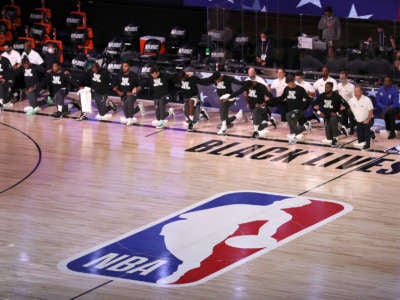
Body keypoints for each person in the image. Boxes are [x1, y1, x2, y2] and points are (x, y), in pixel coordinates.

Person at [279, 75, 312, 145]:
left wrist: (302, 108)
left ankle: (292, 135)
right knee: (289, 115)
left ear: (293, 82)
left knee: (289, 115)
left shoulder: (300, 89)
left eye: (289, 83)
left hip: (299, 111)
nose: (288, 85)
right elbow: (282, 97)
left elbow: (308, 99)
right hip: (290, 110)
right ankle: (304, 127)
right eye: (287, 83)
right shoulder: (286, 88)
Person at [313, 82, 344, 146]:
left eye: (327, 87)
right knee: (328, 138)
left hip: (335, 116)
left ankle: (335, 138)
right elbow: (313, 105)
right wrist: (319, 112)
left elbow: (345, 106)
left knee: (333, 119)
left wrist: (337, 113)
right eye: (325, 87)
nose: (326, 89)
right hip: (325, 116)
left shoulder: (337, 96)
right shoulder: (321, 96)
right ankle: (341, 131)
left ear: (331, 88)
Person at [112, 61, 142, 126]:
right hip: (123, 94)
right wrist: (118, 91)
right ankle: (137, 109)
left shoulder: (133, 75)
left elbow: (140, 86)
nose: (124, 68)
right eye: (123, 66)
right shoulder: (119, 75)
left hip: (132, 94)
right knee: (125, 109)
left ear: (129, 67)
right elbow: (115, 86)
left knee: (128, 103)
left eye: (126, 66)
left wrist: (135, 90)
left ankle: (130, 119)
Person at [348, 86, 375, 150]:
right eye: (355, 92)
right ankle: (371, 133)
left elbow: (371, 110)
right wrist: (355, 115)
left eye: (357, 91)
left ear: (361, 92)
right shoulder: (351, 100)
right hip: (358, 121)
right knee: (360, 141)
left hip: (368, 119)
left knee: (366, 128)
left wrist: (368, 119)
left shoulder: (367, 99)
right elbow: (348, 107)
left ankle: (367, 145)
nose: (355, 93)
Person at [337, 71, 355, 135]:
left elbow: (354, 98)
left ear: (346, 77)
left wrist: (348, 106)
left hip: (349, 106)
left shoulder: (351, 86)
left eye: (343, 78)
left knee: (350, 112)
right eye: (340, 78)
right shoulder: (338, 86)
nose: (342, 79)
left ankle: (352, 129)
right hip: (341, 105)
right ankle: (341, 128)